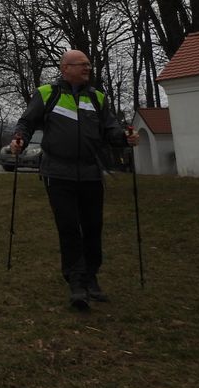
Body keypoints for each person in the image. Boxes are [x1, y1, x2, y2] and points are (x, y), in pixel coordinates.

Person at [10, 49, 139, 311]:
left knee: (93, 227)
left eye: (89, 64)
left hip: (91, 172)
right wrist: (19, 140)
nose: (87, 68)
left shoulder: (97, 97)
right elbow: (27, 122)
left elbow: (111, 129)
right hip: (58, 173)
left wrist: (125, 139)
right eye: (82, 64)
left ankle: (91, 277)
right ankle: (77, 283)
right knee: (69, 227)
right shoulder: (47, 94)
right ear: (65, 68)